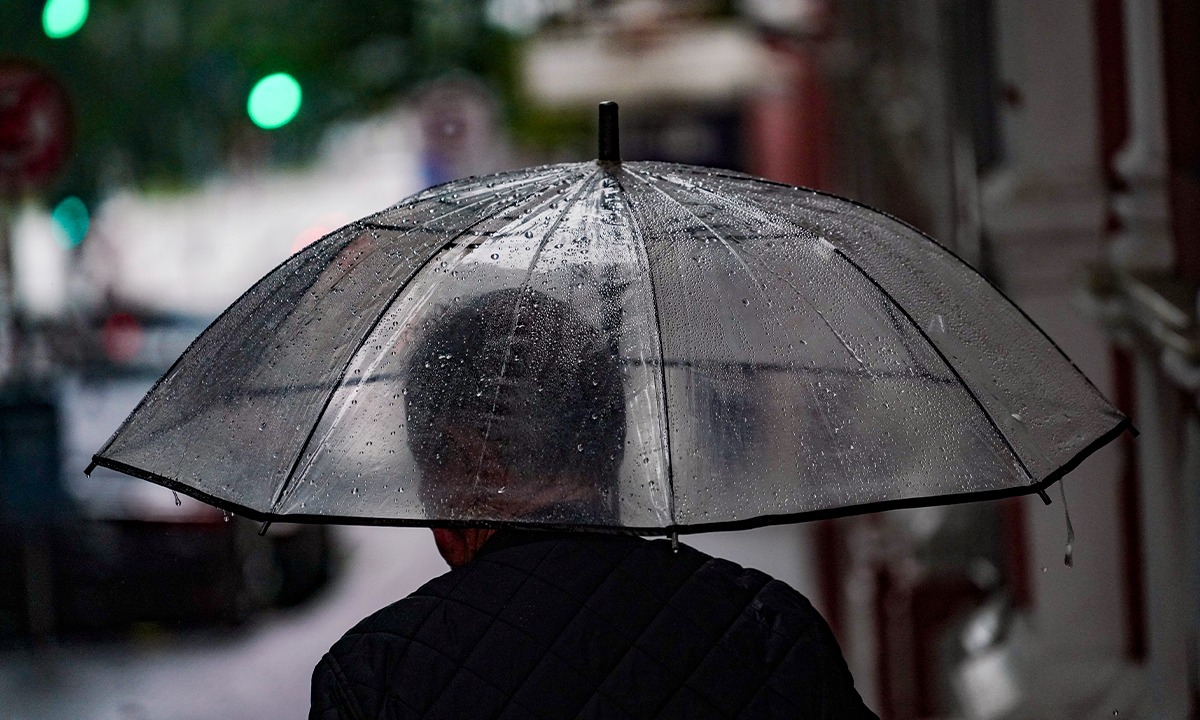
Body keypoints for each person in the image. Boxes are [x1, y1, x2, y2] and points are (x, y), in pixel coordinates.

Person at [310, 287, 877, 719]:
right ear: (606, 443)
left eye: (427, 461)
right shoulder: (766, 627)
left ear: (473, 460)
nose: (425, 493)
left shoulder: (377, 676)